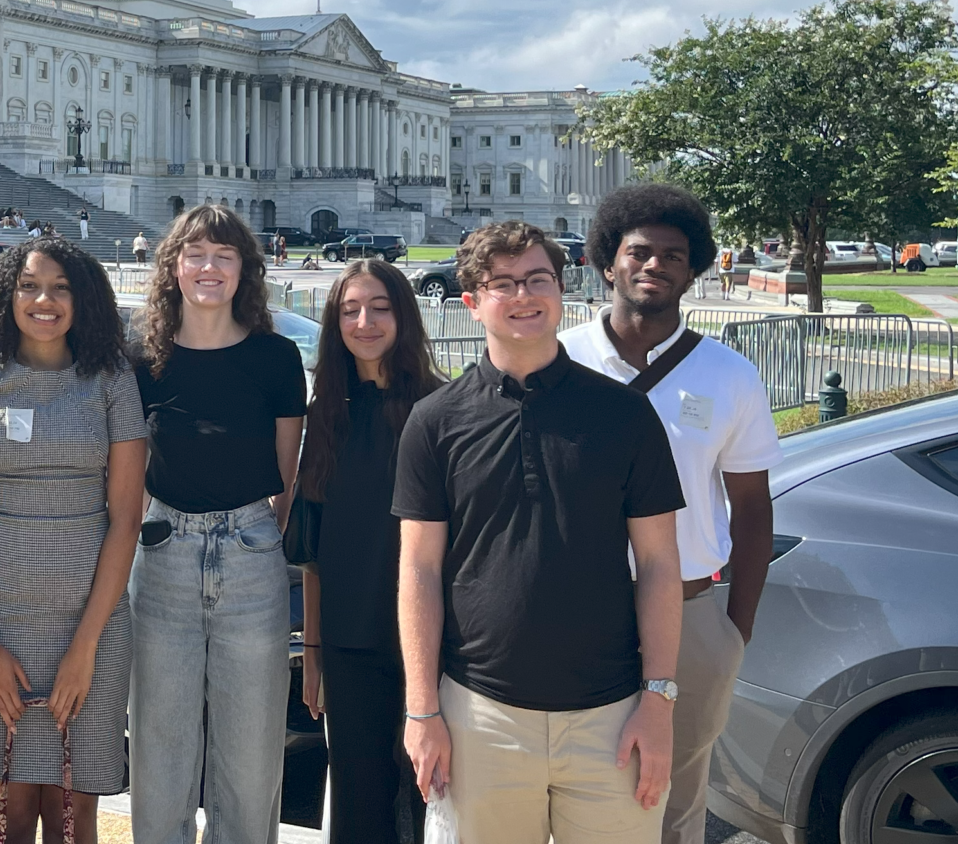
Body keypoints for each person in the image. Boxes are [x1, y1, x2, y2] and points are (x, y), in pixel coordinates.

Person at [395, 221, 685, 844]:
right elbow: (418, 570)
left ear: (561, 288)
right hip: (480, 715)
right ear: (471, 302)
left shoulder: (625, 414)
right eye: (502, 284)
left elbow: (660, 562)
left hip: (612, 714)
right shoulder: (434, 422)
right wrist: (422, 710)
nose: (523, 295)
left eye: (537, 279)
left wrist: (659, 701)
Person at [562, 186, 780, 844]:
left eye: (673, 255)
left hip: (691, 614)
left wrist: (734, 632)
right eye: (639, 252)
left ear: (692, 271)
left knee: (676, 798)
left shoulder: (729, 375)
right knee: (574, 791)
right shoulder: (557, 360)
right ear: (608, 262)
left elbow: (752, 510)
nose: (654, 265)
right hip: (572, 613)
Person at [0, 236, 147, 844]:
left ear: (83, 300)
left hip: (92, 622)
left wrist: (85, 647)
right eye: (29, 286)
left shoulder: (111, 380)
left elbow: (126, 518)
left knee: (71, 816)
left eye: (60, 288)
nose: (44, 300)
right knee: (5, 810)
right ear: (7, 295)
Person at [129, 205, 305, 844]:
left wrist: (257, 537)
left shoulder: (277, 357)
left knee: (252, 754)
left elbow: (286, 475)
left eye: (224, 255)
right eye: (196, 254)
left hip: (251, 552)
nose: (210, 267)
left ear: (243, 270)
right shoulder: (141, 358)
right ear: (174, 267)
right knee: (159, 748)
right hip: (163, 554)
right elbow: (128, 468)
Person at [290, 259, 443, 844]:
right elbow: (313, 547)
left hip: (432, 641)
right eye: (350, 310)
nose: (365, 322)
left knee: (436, 798)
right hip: (349, 641)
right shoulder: (326, 414)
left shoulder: (442, 409)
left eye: (380, 307)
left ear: (404, 315)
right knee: (358, 802)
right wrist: (314, 650)